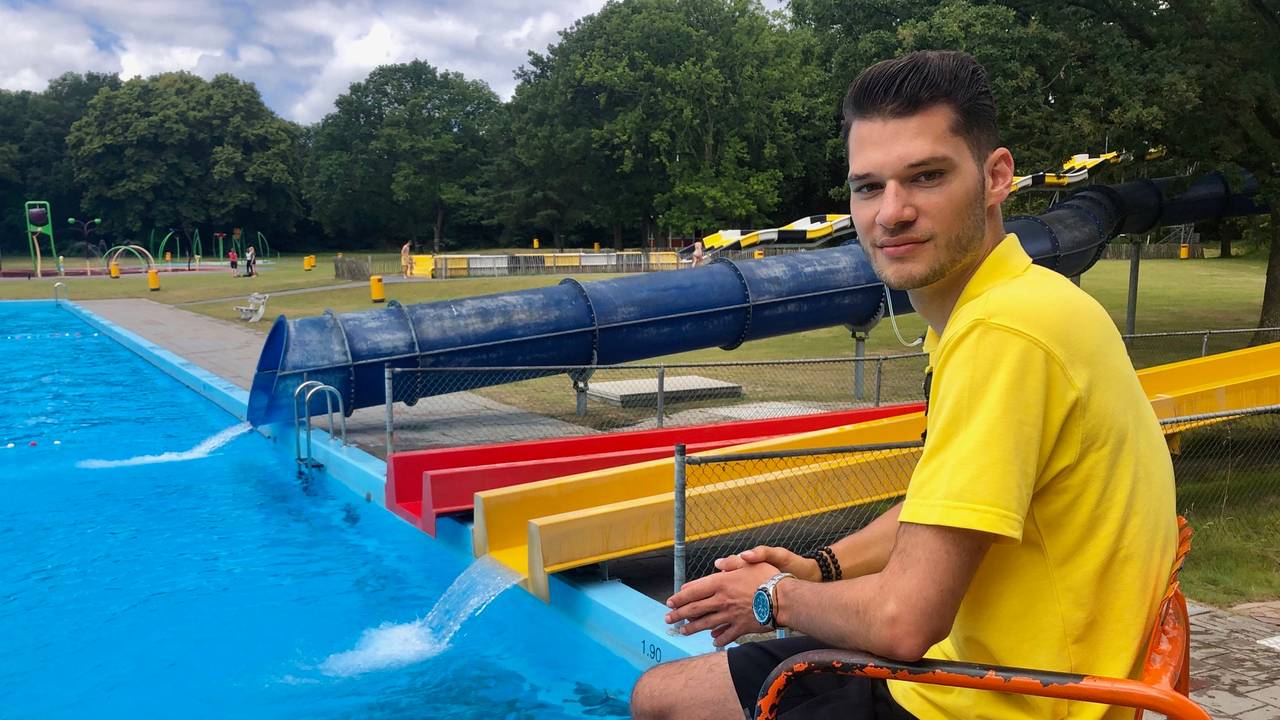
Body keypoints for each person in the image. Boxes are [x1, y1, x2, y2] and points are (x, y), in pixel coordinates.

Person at [631, 50, 1176, 720]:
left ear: (995, 177)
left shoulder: (1004, 333)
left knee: (665, 701)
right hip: (989, 673)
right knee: (662, 694)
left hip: (1001, 702)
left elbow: (902, 621)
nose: (892, 213)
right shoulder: (1017, 303)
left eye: (926, 177)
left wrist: (770, 597)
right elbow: (938, 513)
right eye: (868, 187)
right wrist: (819, 569)